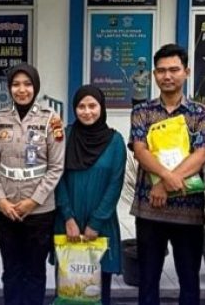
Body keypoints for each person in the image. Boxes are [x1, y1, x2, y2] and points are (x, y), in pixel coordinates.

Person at [129, 43, 205, 305]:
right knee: (147, 280)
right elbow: (140, 150)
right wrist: (169, 178)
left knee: (189, 281)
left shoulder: (201, 112)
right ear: (154, 75)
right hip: (149, 209)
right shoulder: (142, 112)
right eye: (162, 70)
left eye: (174, 70)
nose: (167, 76)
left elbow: (201, 154)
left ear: (186, 72)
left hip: (188, 210)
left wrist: (163, 184)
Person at [0, 63, 65, 305]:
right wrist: (1, 200)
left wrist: (33, 201)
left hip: (39, 210)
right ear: (9, 88)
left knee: (34, 272)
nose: (22, 90)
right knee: (11, 270)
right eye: (16, 84)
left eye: (27, 84)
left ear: (35, 87)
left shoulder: (50, 120)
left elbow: (56, 167)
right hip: (5, 208)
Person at [54, 85, 126, 305]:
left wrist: (96, 223)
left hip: (102, 223)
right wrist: (68, 217)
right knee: (69, 287)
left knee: (98, 289)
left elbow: (115, 185)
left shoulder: (115, 141)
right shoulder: (65, 137)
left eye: (92, 106)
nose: (87, 112)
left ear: (101, 107)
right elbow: (57, 178)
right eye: (81, 106)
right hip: (69, 221)